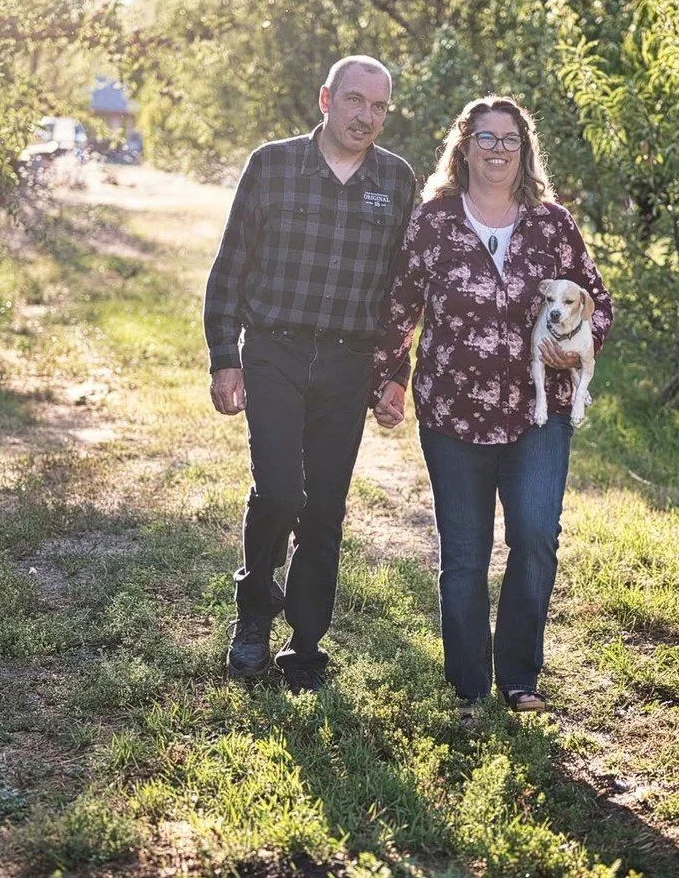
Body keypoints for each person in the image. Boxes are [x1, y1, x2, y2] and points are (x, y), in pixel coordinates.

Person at [370, 95, 612, 718]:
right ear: (464, 146)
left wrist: (576, 351)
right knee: (466, 553)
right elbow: (401, 306)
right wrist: (390, 378)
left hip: (538, 414)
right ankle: (470, 684)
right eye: (486, 137)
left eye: (510, 139)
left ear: (524, 150)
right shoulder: (433, 222)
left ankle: (520, 676)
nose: (498, 149)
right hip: (453, 414)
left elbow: (597, 301)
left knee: (534, 538)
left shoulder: (552, 224)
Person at [204, 55, 416, 692]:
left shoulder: (395, 180)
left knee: (324, 507)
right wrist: (224, 357)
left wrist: (393, 374)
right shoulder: (272, 165)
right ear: (326, 99)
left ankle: (306, 645)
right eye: (355, 101)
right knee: (278, 491)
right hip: (276, 349)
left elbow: (401, 293)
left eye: (378, 107)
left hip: (349, 362)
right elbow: (230, 268)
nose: (366, 117)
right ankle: (253, 618)